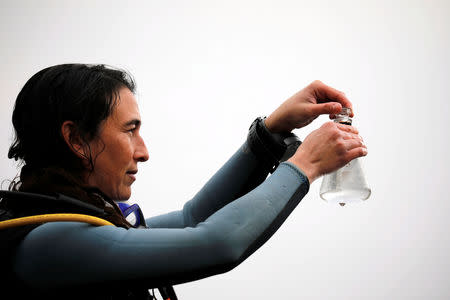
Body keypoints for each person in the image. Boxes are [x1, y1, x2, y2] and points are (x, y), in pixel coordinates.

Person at [0, 64, 367, 299]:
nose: (143, 152)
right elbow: (216, 242)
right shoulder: (50, 243)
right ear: (77, 139)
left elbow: (193, 219)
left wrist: (270, 133)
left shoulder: (76, 226)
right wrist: (305, 165)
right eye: (130, 131)